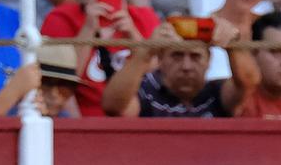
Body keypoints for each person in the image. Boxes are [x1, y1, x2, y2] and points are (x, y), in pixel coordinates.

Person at [40, 0, 163, 116]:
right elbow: (60, 85)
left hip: (138, 118)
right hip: (84, 120)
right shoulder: (61, 18)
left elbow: (159, 77)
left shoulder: (143, 18)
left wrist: (133, 35)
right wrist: (89, 30)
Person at [101, 17, 243, 115]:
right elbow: (113, 106)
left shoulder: (219, 92)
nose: (186, 66)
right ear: (161, 59)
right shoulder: (146, 91)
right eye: (177, 56)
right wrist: (146, 52)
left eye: (195, 57)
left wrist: (234, 45)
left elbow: (247, 82)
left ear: (209, 60)